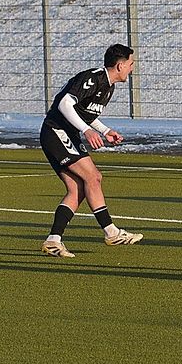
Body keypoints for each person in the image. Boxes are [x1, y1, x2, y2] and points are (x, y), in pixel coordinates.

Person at [39, 44, 143, 257]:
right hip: (55, 131)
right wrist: (87, 131)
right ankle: (111, 232)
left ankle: (53, 240)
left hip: (67, 134)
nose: (133, 68)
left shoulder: (109, 86)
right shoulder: (94, 78)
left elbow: (87, 113)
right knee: (93, 177)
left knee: (78, 189)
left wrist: (105, 131)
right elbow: (65, 104)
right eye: (131, 64)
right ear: (120, 65)